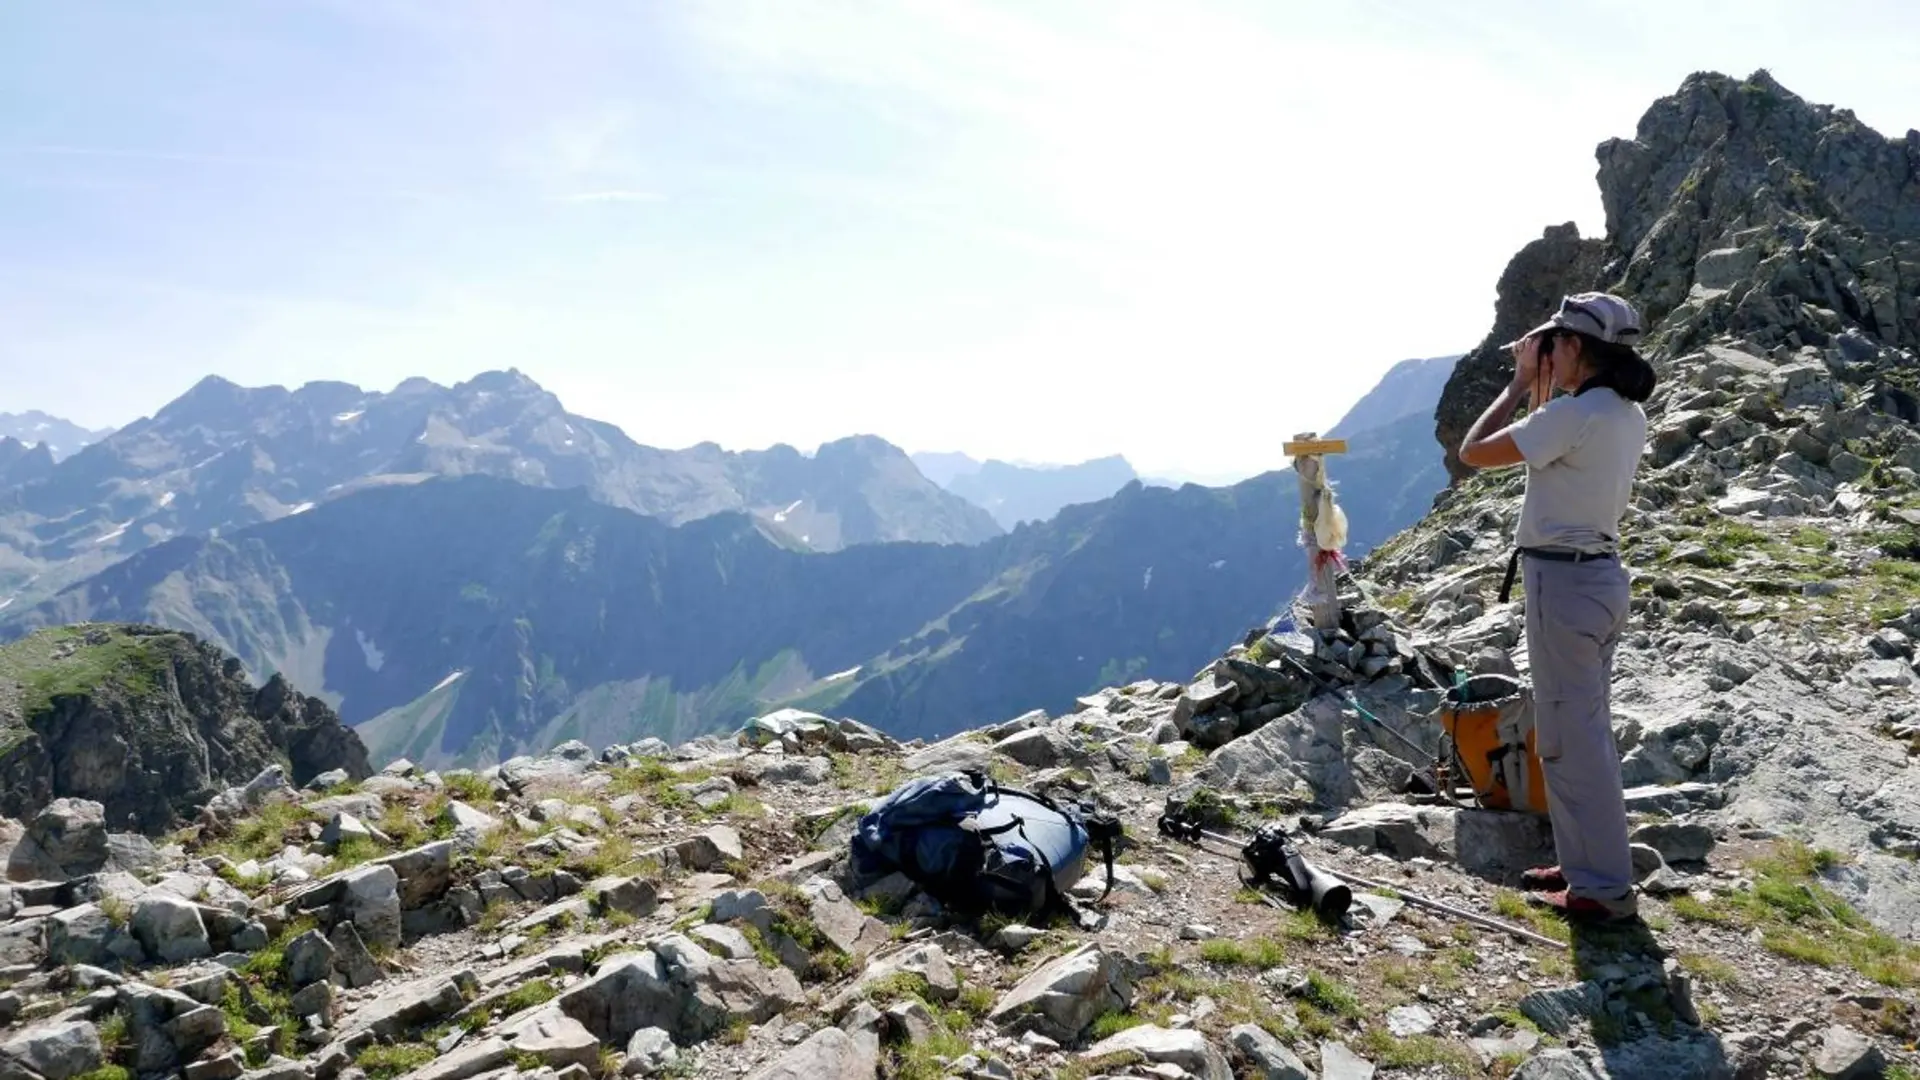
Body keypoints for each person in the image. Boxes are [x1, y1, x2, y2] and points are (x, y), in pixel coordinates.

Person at [1456, 292, 1658, 921]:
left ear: (1573, 346)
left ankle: (1602, 889)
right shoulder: (1620, 412)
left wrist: (1520, 380)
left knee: (1574, 740)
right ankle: (1583, 868)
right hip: (1596, 579)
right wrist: (1543, 383)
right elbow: (1552, 440)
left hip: (1563, 588)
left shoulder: (1575, 413)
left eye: (1553, 343)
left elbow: (1474, 451)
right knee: (1579, 730)